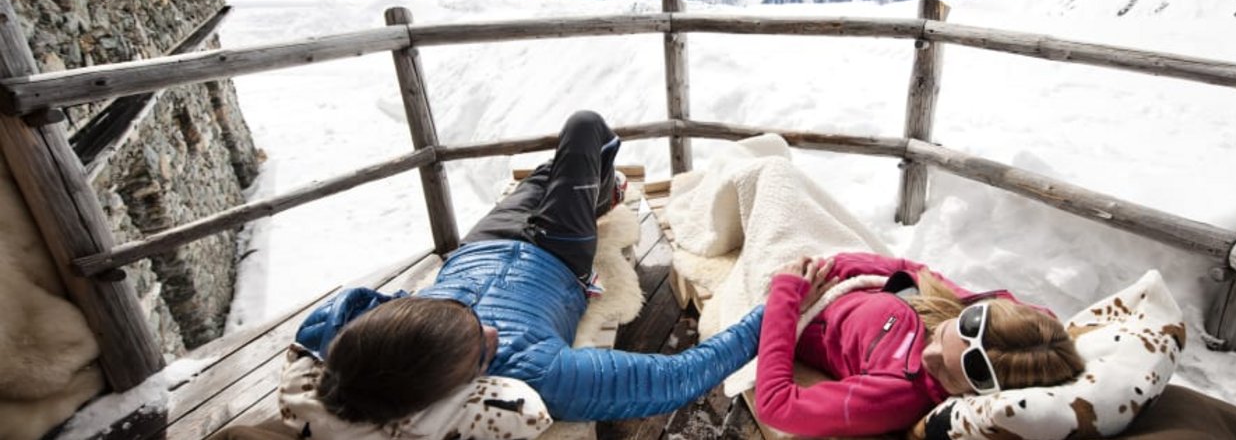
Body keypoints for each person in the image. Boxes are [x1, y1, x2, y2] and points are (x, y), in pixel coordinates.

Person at [292, 110, 764, 424]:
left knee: (550, 172)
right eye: (481, 349)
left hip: (483, 244)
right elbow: (680, 375)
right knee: (585, 126)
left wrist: (339, 363)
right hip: (557, 252)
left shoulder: (371, 347)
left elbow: (325, 321)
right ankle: (597, 193)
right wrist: (777, 308)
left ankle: (594, 192)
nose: (491, 335)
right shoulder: (540, 373)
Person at [754, 252, 1083, 437]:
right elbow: (911, 270)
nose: (929, 354)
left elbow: (777, 405)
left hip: (798, 309)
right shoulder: (993, 323)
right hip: (836, 277)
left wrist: (788, 295)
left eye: (944, 372)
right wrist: (836, 267)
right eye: (940, 335)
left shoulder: (897, 393)